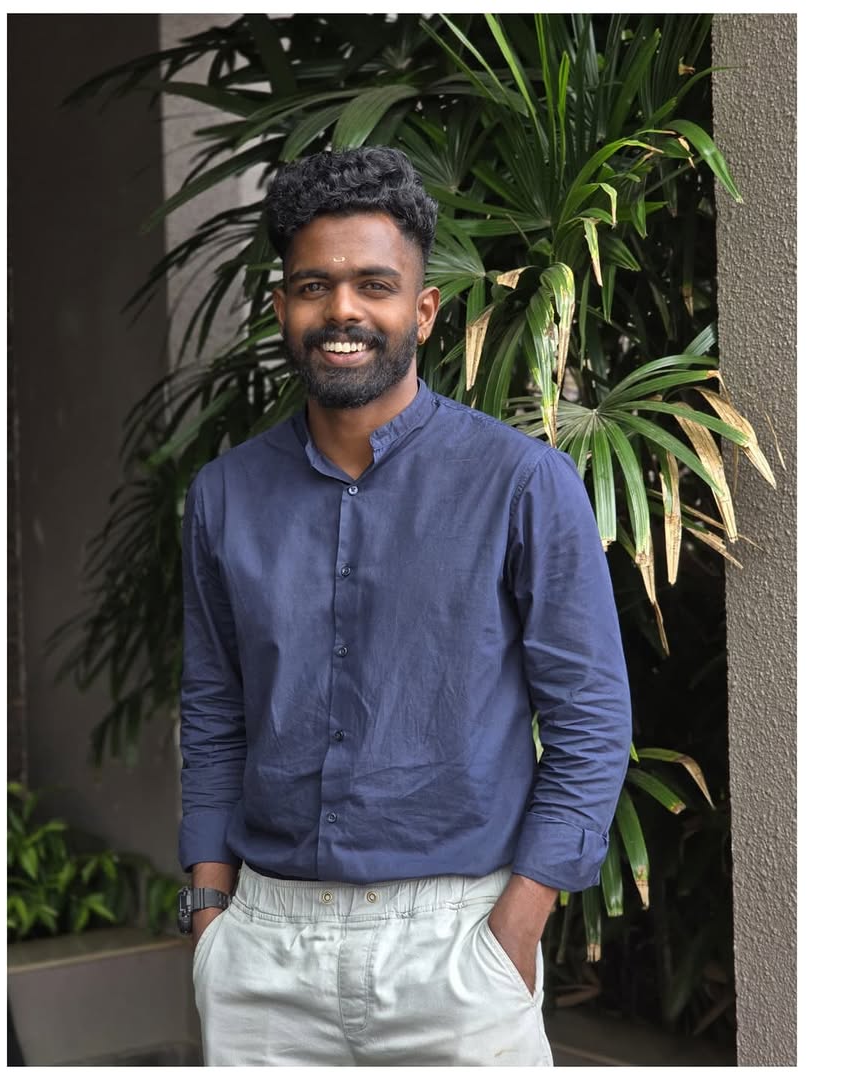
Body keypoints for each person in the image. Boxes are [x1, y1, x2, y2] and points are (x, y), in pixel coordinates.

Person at [177, 145, 632, 1067]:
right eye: (315, 286)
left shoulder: (522, 483)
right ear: (282, 307)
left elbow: (590, 718)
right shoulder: (224, 496)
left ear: (421, 310)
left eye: (374, 285)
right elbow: (214, 709)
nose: (342, 310)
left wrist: (517, 924)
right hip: (263, 950)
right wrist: (210, 910)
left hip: (459, 947)